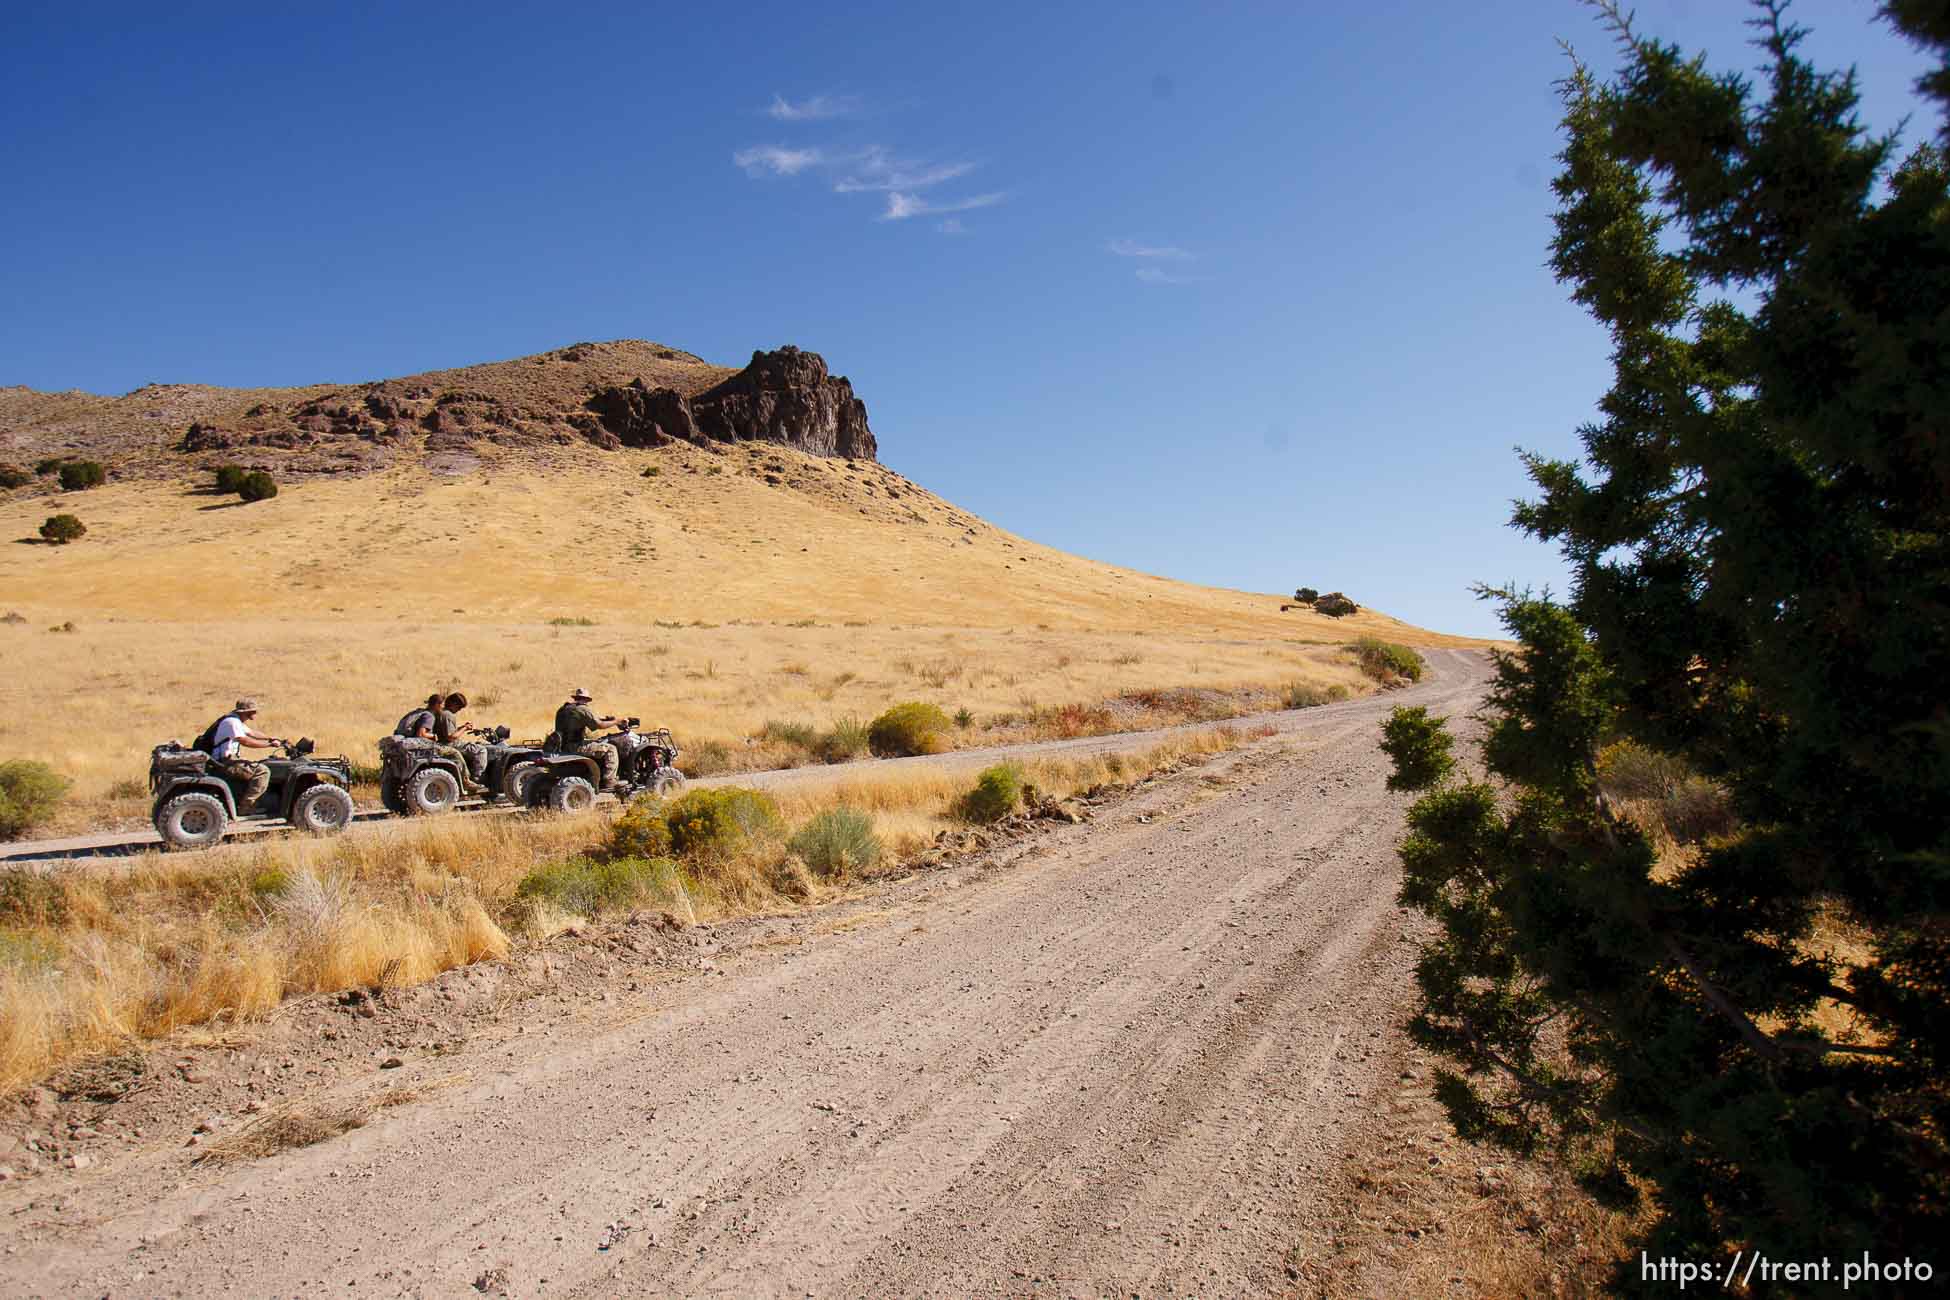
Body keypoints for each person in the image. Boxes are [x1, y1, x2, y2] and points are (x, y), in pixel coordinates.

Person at [202, 697, 283, 812]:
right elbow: (244, 741)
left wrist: (270, 738)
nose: (256, 713)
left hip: (226, 760)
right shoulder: (232, 722)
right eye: (254, 710)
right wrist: (268, 745)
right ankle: (247, 807)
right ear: (246, 712)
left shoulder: (235, 720)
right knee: (262, 771)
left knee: (255, 766)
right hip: (227, 762)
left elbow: (252, 733)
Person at [554, 686, 626, 793]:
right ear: (587, 699)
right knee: (611, 749)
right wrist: (617, 722)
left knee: (596, 743)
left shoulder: (564, 709)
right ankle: (609, 780)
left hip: (561, 746)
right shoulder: (583, 709)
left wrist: (606, 719)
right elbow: (599, 725)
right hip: (576, 746)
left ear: (575, 698)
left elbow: (588, 718)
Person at [434, 691, 489, 793]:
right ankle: (476, 778)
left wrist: (462, 727)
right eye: (458, 707)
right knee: (481, 750)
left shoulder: (441, 713)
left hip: (443, 743)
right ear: (453, 704)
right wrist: (465, 728)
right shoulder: (448, 715)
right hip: (450, 744)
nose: (458, 710)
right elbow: (451, 737)